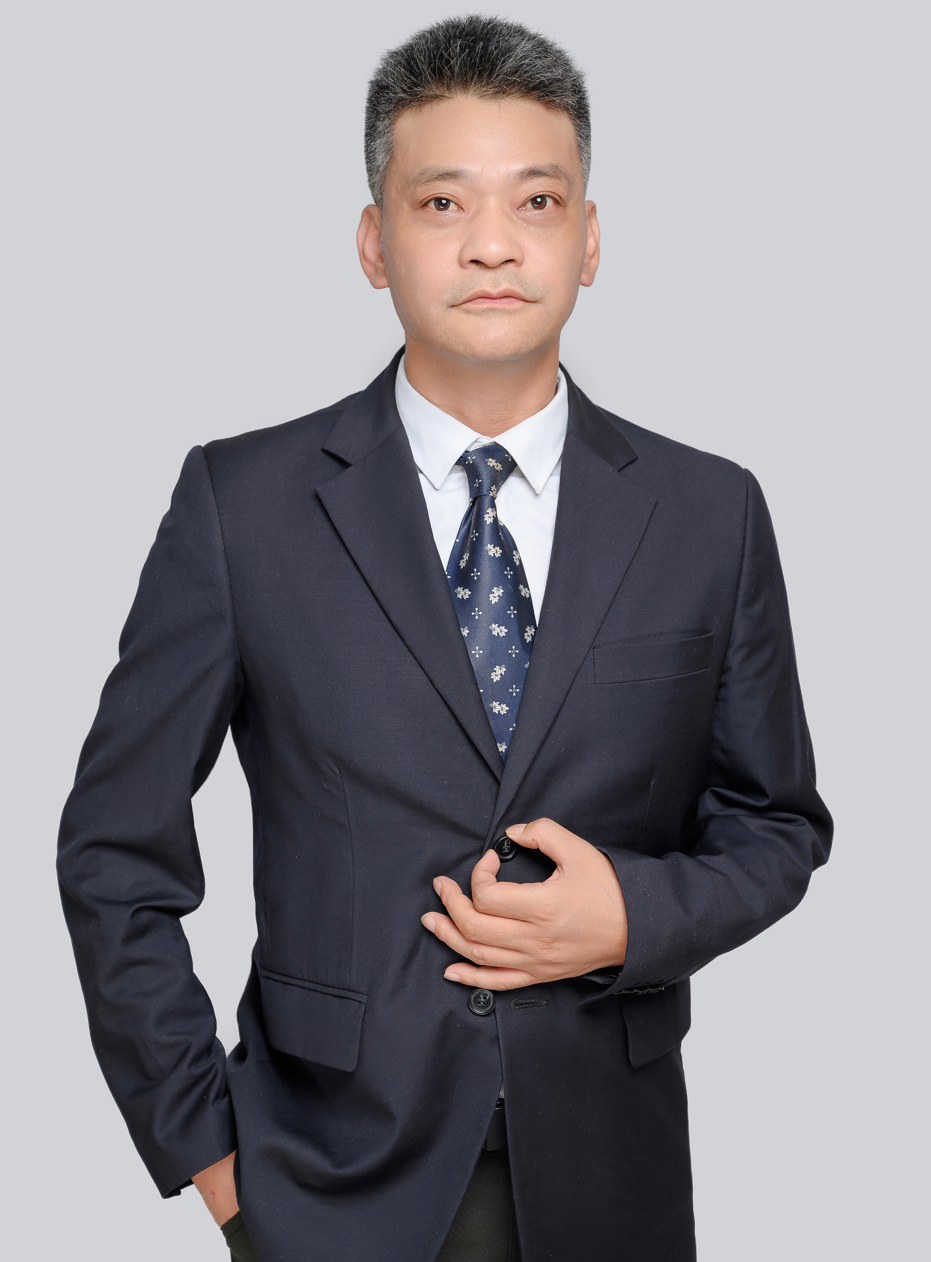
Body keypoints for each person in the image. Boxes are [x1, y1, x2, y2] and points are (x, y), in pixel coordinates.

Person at [57, 15, 832, 1262]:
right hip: (325, 1180)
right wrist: (206, 1149)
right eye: (440, 202)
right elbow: (112, 847)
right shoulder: (241, 506)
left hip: (613, 1174)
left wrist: (631, 914)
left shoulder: (709, 511)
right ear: (375, 241)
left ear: (589, 239)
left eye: (536, 200)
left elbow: (775, 822)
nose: (491, 244)